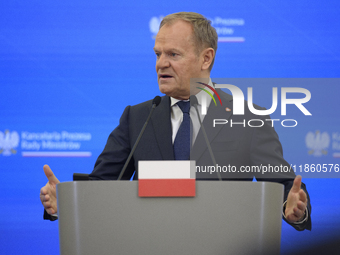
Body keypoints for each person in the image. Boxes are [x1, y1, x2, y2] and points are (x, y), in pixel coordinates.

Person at [40, 12, 311, 230]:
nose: (161, 64)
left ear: (206, 58)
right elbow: (101, 188)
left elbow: (285, 185)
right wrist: (65, 202)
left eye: (173, 54)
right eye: (158, 54)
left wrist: (293, 207)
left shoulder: (247, 116)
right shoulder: (137, 118)